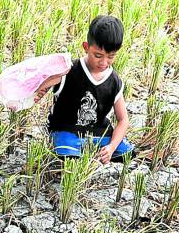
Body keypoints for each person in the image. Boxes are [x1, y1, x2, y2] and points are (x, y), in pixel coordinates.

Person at [35, 15, 133, 165]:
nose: (104, 62)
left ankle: (99, 150)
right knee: (69, 158)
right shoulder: (69, 70)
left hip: (98, 132)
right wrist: (39, 91)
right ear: (86, 47)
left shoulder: (114, 81)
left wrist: (112, 147)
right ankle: (72, 150)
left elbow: (123, 119)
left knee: (127, 153)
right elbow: (42, 84)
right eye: (98, 55)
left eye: (111, 56)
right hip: (66, 129)